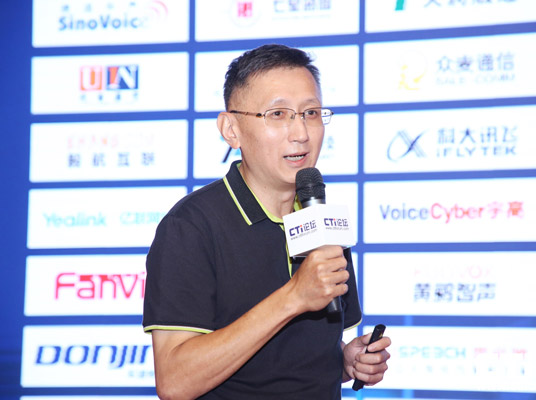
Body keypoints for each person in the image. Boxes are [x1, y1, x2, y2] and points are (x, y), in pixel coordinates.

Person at [142, 44, 391, 399]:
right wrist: (293, 297)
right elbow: (175, 382)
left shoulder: (320, 215)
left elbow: (287, 362)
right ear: (231, 129)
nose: (301, 132)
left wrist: (345, 361)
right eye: (278, 114)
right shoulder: (190, 227)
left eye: (311, 113)